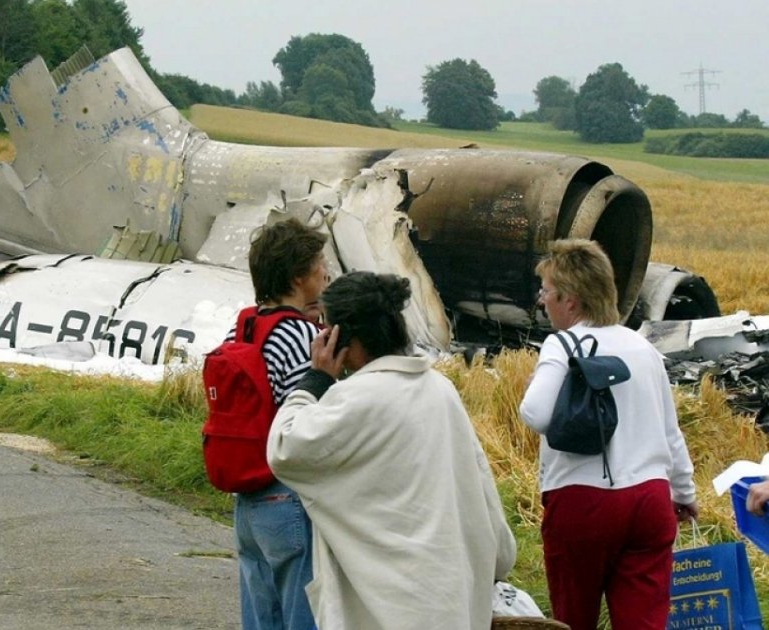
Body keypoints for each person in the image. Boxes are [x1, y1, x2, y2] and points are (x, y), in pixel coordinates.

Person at [267, 271, 516, 630]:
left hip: (387, 607)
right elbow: (478, 484)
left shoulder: (354, 399)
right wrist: (499, 559)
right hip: (449, 599)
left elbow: (284, 449)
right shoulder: (441, 390)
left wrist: (316, 379)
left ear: (340, 337)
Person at [519, 238, 698, 630]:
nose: (542, 300)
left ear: (570, 300)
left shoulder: (562, 344)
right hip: (650, 499)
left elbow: (535, 413)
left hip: (583, 501)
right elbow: (671, 431)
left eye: (546, 291)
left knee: (574, 617)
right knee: (643, 621)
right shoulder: (642, 347)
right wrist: (684, 493)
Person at [230, 216, 328, 630]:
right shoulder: (297, 337)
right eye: (319, 262)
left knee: (260, 618)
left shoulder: (247, 328)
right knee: (300, 617)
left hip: (247, 501)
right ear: (297, 276)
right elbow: (305, 421)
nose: (326, 271)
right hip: (286, 496)